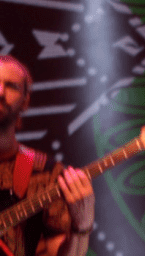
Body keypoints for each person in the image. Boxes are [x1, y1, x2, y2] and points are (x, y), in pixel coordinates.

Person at [0, 55, 95, 256]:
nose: (0, 92)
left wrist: (82, 227)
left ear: (25, 101)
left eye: (11, 86)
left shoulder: (46, 173)